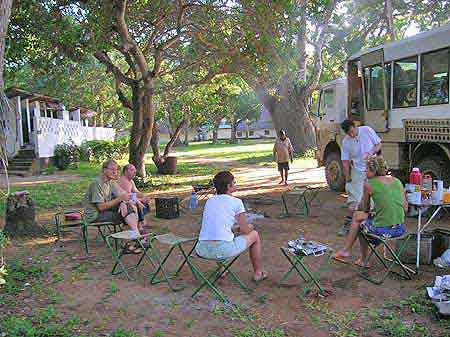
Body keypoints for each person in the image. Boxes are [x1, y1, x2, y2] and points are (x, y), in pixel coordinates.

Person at [332, 156, 407, 266]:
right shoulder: (397, 181)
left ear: (373, 170)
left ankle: (359, 257)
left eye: (366, 169)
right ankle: (347, 251)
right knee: (359, 217)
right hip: (400, 228)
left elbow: (364, 208)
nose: (364, 171)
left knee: (359, 222)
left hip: (383, 230)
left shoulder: (369, 184)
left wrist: (362, 207)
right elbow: (405, 208)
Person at [195, 171, 267, 282]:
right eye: (234, 182)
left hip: (201, 249)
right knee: (255, 235)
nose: (235, 184)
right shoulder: (237, 202)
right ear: (229, 186)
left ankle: (222, 269)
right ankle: (258, 272)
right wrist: (251, 226)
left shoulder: (209, 201)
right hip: (222, 250)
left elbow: (218, 226)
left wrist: (235, 229)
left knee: (221, 235)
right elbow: (245, 230)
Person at [84, 160, 141, 252]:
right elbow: (101, 207)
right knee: (124, 214)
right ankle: (133, 239)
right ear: (104, 170)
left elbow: (124, 194)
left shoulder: (111, 182)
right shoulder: (97, 184)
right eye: (112, 169)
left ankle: (133, 238)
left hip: (105, 211)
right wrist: (120, 200)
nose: (115, 172)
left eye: (117, 169)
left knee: (127, 208)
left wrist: (127, 201)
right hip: (95, 215)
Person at [339, 120, 381, 235]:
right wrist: (347, 177)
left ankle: (372, 223)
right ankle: (348, 223)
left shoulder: (366, 130)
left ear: (355, 126)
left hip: (372, 168)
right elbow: (345, 161)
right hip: (358, 170)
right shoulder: (346, 142)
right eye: (349, 133)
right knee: (355, 199)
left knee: (374, 197)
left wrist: (371, 152)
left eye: (352, 131)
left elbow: (378, 144)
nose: (351, 135)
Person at [118, 163, 150, 230]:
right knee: (137, 204)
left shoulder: (131, 181)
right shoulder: (124, 181)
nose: (135, 172)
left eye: (135, 170)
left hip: (129, 200)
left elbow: (136, 192)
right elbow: (128, 197)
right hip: (123, 203)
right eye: (132, 170)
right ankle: (138, 226)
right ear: (126, 171)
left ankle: (140, 224)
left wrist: (144, 196)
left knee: (143, 202)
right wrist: (141, 200)